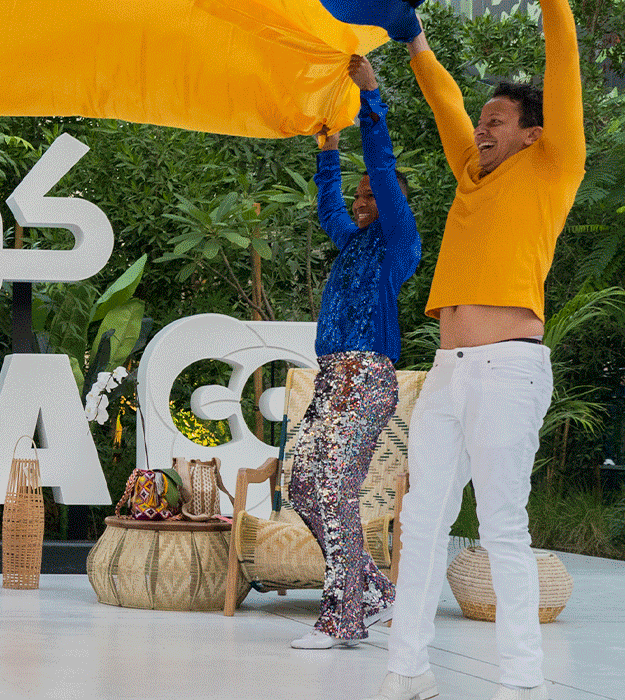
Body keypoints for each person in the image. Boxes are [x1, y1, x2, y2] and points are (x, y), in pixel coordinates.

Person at [339, 1, 586, 699]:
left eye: (497, 122)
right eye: (482, 122)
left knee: (504, 527)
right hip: (447, 374)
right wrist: (412, 38)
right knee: (422, 526)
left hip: (509, 368)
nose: (481, 130)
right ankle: (406, 672)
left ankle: (520, 683)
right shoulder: (473, 177)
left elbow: (562, 56)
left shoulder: (553, 165)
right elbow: (446, 101)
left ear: (533, 134)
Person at [288, 53, 419, 651]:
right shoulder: (351, 241)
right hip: (329, 379)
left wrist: (371, 100)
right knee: (302, 488)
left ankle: (341, 617)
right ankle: (376, 592)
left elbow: (385, 172)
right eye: (359, 195)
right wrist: (327, 150)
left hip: (366, 378)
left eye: (371, 195)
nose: (362, 201)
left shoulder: (397, 247)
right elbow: (328, 207)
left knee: (335, 485)